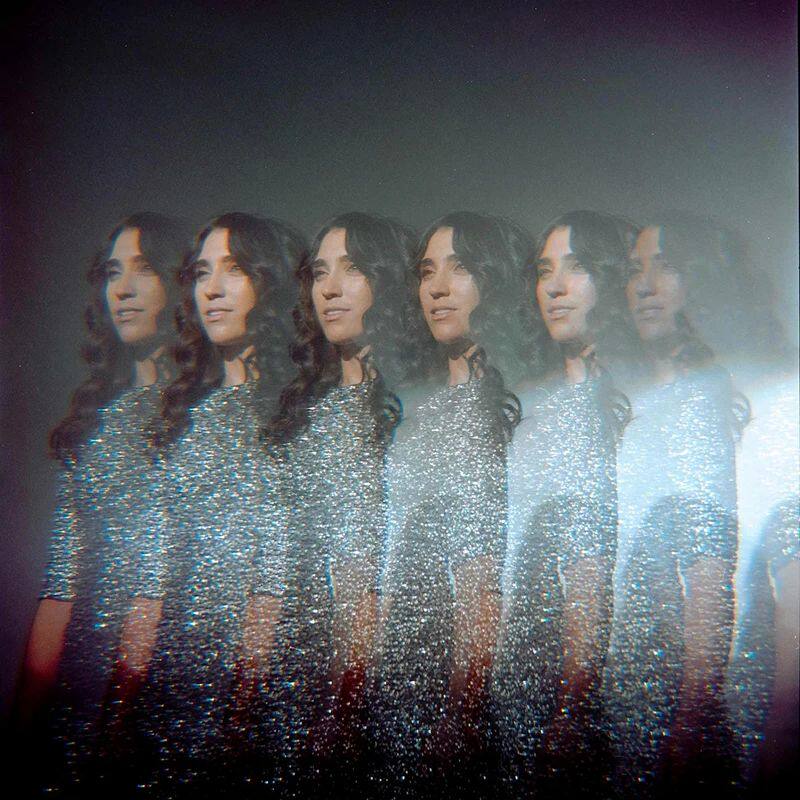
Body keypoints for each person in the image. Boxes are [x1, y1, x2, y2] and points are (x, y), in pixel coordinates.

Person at [12, 213, 188, 792]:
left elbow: (160, 582)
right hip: (75, 702)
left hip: (164, 704)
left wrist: (119, 719)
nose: (123, 289)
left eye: (144, 269)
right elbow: (59, 586)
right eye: (113, 272)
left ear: (177, 283)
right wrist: (25, 720)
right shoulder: (91, 426)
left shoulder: (201, 420)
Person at [138, 213, 305, 795]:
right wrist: (124, 703)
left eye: (233, 269)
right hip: (167, 692)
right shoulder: (183, 418)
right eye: (202, 272)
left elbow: (274, 575)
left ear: (271, 282)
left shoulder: (293, 413)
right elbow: (153, 575)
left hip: (256, 703)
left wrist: (240, 709)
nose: (211, 289)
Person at [376, 211, 530, 796]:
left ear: (496, 279)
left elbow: (483, 575)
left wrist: (463, 709)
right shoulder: (414, 407)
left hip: (464, 693)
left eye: (459, 268)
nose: (437, 288)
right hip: (395, 677)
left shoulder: (512, 403)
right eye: (426, 272)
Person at [265, 212, 415, 793]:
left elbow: (373, 573)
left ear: (388, 280)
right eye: (320, 272)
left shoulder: (409, 410)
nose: (329, 289)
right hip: (288, 683)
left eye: (351, 269)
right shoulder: (302, 415)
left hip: (371, 693)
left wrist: (345, 705)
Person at [491, 210, 632, 796]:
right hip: (516, 685)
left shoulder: (634, 402)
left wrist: (575, 702)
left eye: (576, 268)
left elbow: (591, 562)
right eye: (545, 270)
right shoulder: (528, 406)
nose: (554, 287)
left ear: (613, 278)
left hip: (601, 697)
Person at [605, 218, 742, 796]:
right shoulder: (636, 398)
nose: (644, 285)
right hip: (625, 694)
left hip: (668, 710)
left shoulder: (698, 398)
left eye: (665, 267)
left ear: (699, 281)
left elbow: (710, 573)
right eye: (635, 270)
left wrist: (691, 720)